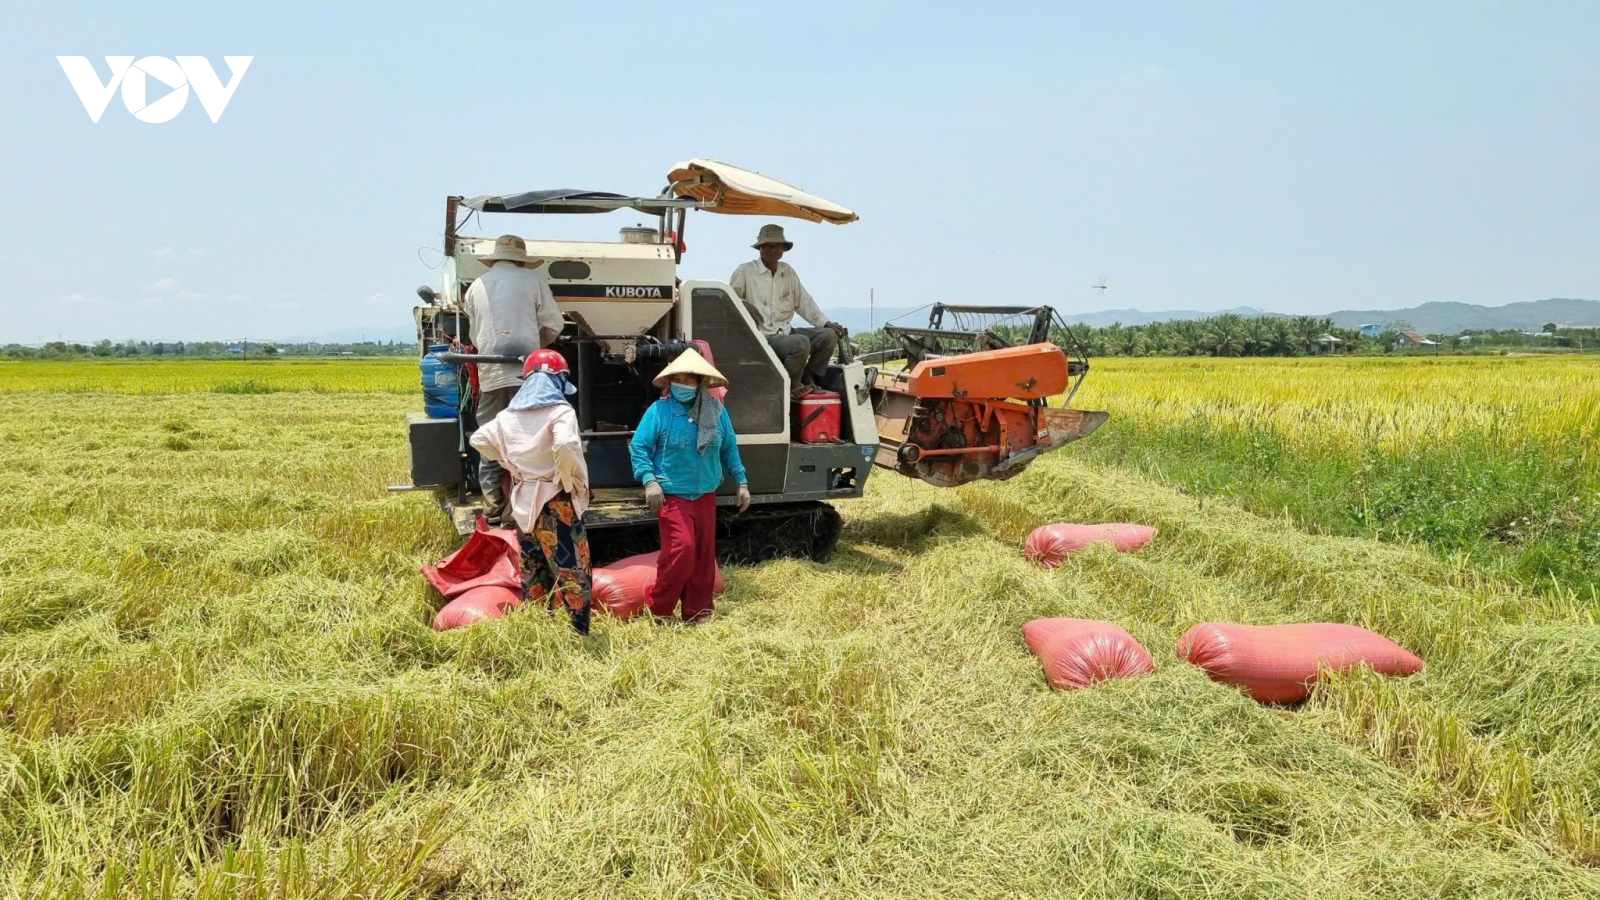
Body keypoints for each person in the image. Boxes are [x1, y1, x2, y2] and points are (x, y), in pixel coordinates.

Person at [469, 349, 594, 634]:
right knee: (571, 567)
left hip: (523, 500)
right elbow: (564, 446)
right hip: (556, 502)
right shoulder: (560, 411)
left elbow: (478, 439)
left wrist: (510, 462)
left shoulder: (505, 417)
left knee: (533, 566)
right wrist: (565, 475)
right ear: (559, 381)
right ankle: (579, 632)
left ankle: (538, 630)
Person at [629, 348, 750, 622]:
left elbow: (729, 446)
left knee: (703, 556)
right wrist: (650, 481)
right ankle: (660, 608)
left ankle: (698, 610)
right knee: (680, 550)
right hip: (672, 495)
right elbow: (639, 447)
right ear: (669, 382)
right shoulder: (659, 411)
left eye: (688, 379)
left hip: (706, 493)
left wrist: (741, 481)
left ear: (700, 384)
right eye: (678, 379)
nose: (682, 384)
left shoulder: (716, 412)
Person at [464, 234, 566, 525]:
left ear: (495, 258)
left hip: (490, 373)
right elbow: (554, 324)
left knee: (490, 436)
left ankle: (493, 505)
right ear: (521, 259)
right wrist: (538, 348)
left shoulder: (475, 287)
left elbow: (474, 336)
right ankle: (521, 509)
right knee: (527, 438)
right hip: (527, 374)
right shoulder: (533, 280)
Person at [728, 224, 849, 399]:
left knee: (829, 336)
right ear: (760, 248)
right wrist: (743, 303)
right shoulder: (745, 271)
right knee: (799, 343)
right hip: (761, 337)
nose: (772, 249)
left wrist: (826, 322)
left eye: (777, 245)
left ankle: (808, 376)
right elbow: (729, 299)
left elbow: (804, 302)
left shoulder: (788, 272)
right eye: (768, 245)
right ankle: (790, 385)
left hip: (785, 332)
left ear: (783, 249)